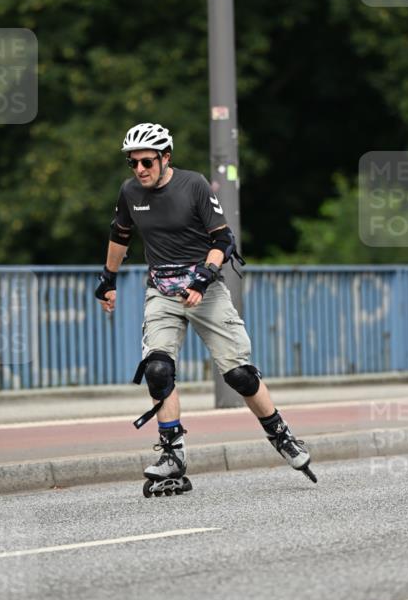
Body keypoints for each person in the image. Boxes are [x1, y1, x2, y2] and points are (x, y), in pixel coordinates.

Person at [95, 122, 317, 495]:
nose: (139, 170)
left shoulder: (193, 185)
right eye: (132, 163)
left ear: (166, 157)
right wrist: (108, 279)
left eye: (147, 162)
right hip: (162, 293)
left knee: (239, 376)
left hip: (206, 289)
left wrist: (203, 276)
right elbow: (120, 235)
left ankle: (281, 434)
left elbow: (223, 240)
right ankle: (172, 454)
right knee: (158, 368)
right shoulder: (130, 192)